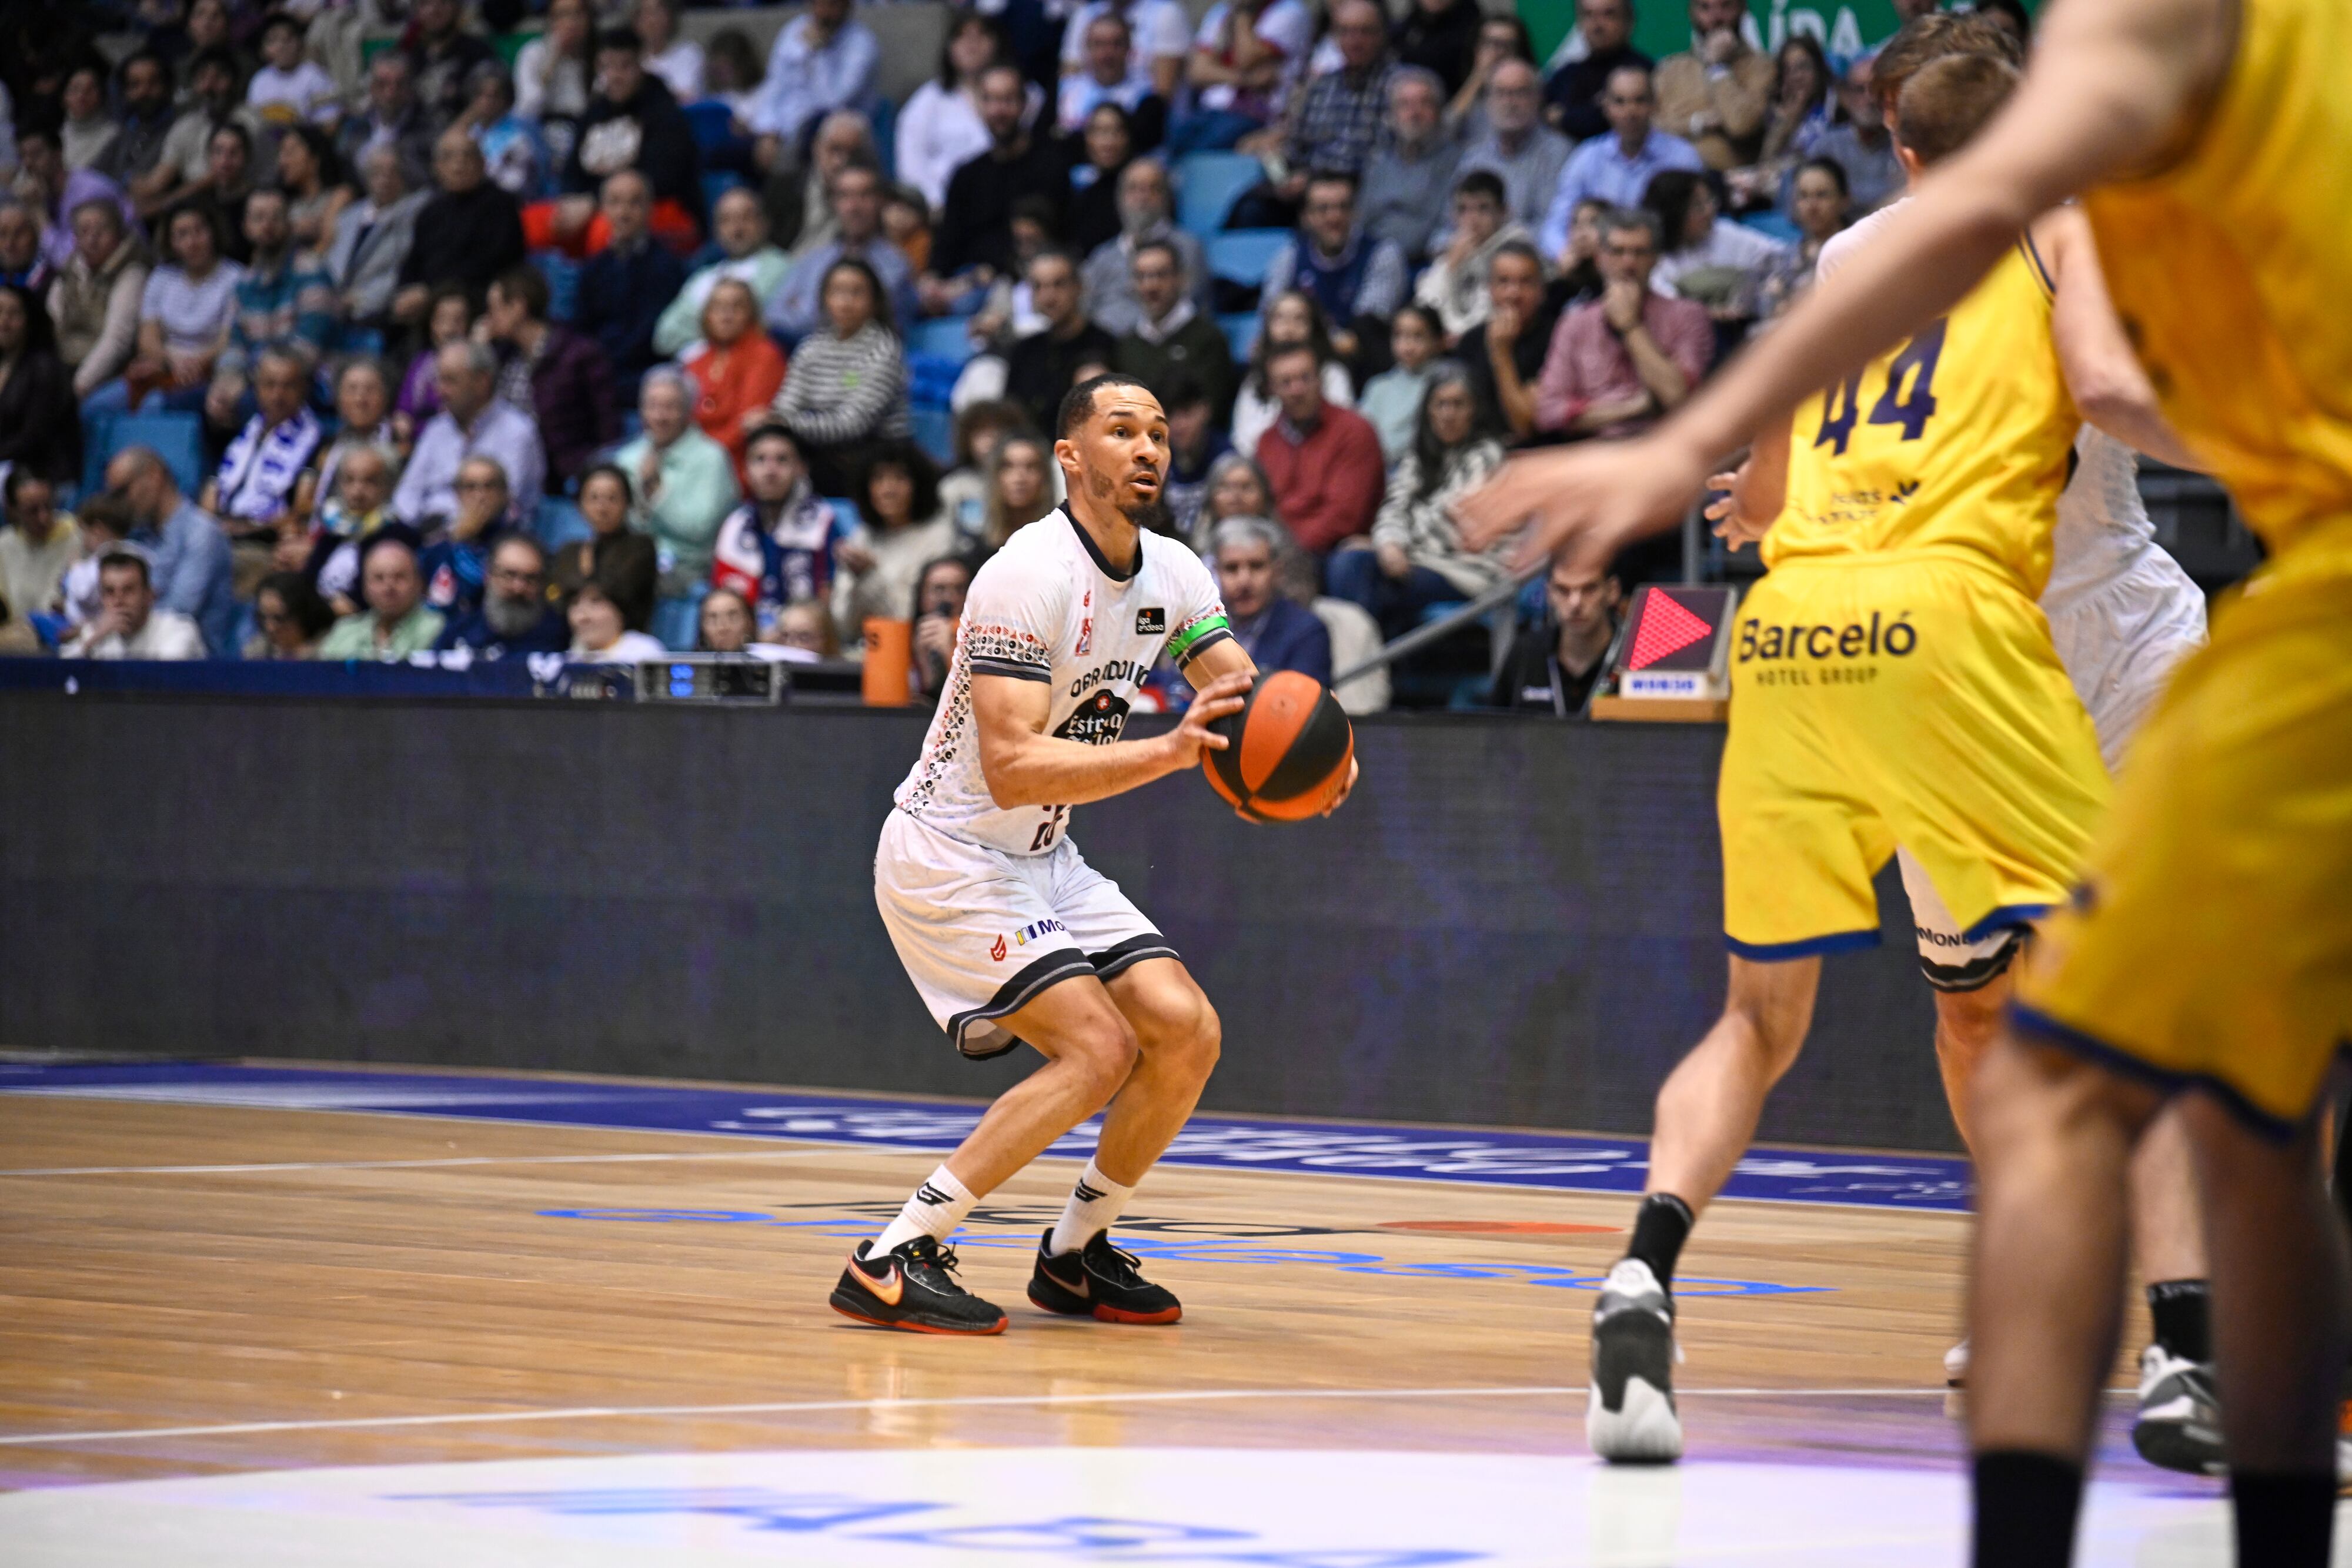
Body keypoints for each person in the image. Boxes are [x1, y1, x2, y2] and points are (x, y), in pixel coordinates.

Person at [1448, 33, 2340, 1553]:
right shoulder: (2042, 217)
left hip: (1965, 641)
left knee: (1914, 1011)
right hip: (1988, 649)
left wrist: (1709, 473)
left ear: (1897, 145)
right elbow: (2118, 389)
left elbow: (1781, 465)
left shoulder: (1885, 247)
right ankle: (2129, 1327)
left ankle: (2187, 1338)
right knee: (2019, 1009)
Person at [844, 371, 1292, 1336]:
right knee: (1099, 1048)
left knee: (1186, 1027)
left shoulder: (1175, 570)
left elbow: (1242, 702)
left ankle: (1075, 1253)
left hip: (1044, 855)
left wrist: (1302, 764)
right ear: (1069, 455)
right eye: (1123, 429)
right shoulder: (1024, 571)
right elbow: (1009, 766)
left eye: (1161, 433)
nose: (1149, 449)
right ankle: (892, 1254)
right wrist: (1173, 752)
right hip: (951, 849)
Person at [1331, 364, 1508, 637]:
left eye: (1458, 405)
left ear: (1474, 410)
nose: (1448, 414)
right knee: (1347, 563)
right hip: (1419, 560)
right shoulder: (1418, 457)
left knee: (1374, 589)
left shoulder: (1488, 456)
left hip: (1466, 571)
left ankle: (1368, 669)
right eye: (1441, 405)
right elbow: (1393, 509)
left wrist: (1394, 546)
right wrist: (1388, 544)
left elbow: (1454, 523)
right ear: (1428, 410)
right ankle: (1370, 666)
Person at [1534, 206, 1712, 438]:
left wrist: (1631, 326)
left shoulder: (1689, 316)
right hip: (1595, 453)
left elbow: (1678, 398)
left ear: (1656, 258)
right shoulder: (1575, 324)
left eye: (1639, 252)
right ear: (1600, 258)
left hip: (1666, 449)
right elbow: (1548, 413)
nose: (1628, 263)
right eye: (1618, 252)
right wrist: (1635, 408)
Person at [924, 65, 1069, 314]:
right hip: (968, 282)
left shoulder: (1051, 167)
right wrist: (932, 280)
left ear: (1025, 105)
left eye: (1007, 100)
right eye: (990, 100)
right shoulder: (966, 174)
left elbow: (1057, 239)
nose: (998, 111)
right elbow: (947, 243)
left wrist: (989, 274)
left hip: (1028, 280)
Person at [1237, 0, 1397, 223]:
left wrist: (1317, 179)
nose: (1355, 40)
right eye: (1346, 32)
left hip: (1361, 192)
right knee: (1251, 209)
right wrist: (1284, 176)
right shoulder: (1320, 88)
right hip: (1307, 191)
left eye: (1365, 32)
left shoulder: (1398, 87)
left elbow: (1386, 157)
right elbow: (1296, 147)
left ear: (1382, 35)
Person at [549, 26, 704, 255]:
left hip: (660, 207)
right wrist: (572, 202)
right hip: (598, 206)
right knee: (534, 226)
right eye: (607, 67)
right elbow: (572, 170)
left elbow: (661, 178)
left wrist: (593, 202)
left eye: (625, 67)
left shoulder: (664, 111)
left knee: (605, 233)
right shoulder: (594, 113)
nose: (615, 76)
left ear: (641, 65)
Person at [770, 256, 911, 497]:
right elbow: (786, 406)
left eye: (856, 293)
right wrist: (780, 422)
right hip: (821, 449)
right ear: (825, 299)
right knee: (770, 451)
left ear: (875, 301)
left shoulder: (884, 349)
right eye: (837, 292)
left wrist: (788, 424)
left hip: (875, 454)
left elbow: (853, 424)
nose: (846, 302)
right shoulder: (810, 348)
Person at [1538, 65, 1704, 265]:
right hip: (1600, 267)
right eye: (1620, 102)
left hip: (1668, 265)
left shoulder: (1683, 158)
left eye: (1639, 100)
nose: (1630, 111)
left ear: (1655, 104)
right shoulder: (1587, 156)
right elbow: (1554, 226)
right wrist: (1566, 253)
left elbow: (1702, 223)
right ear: (1606, 106)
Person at [98, 203, 242, 416]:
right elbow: (147, 338)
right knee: (94, 409)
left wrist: (193, 365)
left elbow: (228, 341)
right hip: (164, 365)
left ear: (213, 232)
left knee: (153, 407)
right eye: (182, 235)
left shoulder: (236, 278)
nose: (192, 242)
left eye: (199, 231)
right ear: (171, 242)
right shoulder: (161, 278)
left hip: (209, 370)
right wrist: (171, 361)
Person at [483, 264, 616, 494]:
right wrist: (480, 352)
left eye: (494, 309)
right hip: (508, 470)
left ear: (517, 307)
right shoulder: (502, 357)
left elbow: (608, 425)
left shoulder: (579, 354)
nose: (488, 319)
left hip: (564, 476)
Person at [1258, 169, 1407, 367]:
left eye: (1343, 207)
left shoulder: (1382, 254)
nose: (1334, 217)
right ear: (1306, 216)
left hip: (1362, 365)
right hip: (1302, 362)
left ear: (1356, 212)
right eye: (1323, 209)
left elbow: (1364, 331)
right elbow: (1270, 315)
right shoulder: (1290, 256)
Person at [392, 340, 545, 527]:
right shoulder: (437, 428)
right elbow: (407, 493)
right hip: (430, 533)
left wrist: (449, 529)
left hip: (494, 536)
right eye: (438, 380)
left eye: (450, 380)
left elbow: (501, 502)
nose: (440, 391)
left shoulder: (518, 431)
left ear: (481, 382)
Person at [617, 368, 741, 598]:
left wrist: (655, 492)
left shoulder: (712, 458)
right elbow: (621, 522)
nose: (660, 417)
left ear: (687, 412)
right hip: (633, 561)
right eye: (652, 406)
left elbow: (699, 529)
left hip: (689, 568)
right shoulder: (628, 458)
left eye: (670, 408)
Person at [764, 163, 916, 346]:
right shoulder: (814, 259)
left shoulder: (895, 264)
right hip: (805, 356)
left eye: (865, 195)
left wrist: (800, 309)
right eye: (845, 196)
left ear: (880, 201)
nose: (854, 206)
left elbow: (851, 322)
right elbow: (772, 314)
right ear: (834, 203)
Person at [1254, 342, 1384, 557]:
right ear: (1271, 389)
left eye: (1305, 378)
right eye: (1286, 382)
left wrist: (1287, 552)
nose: (1297, 390)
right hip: (1277, 553)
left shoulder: (1354, 430)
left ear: (1321, 380)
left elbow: (1344, 517)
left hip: (1331, 550)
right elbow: (1262, 510)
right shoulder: (1266, 442)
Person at [104, 446, 236, 657]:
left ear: (154, 476)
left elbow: (179, 611)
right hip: (136, 653)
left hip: (194, 667)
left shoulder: (202, 533)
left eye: (123, 491)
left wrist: (116, 617)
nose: (121, 505)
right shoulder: (137, 538)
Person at [709, 424, 838, 631]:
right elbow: (723, 600)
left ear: (801, 468)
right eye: (760, 460)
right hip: (746, 647)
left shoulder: (821, 521)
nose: (770, 471)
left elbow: (830, 600)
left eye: (782, 460)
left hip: (804, 645)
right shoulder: (735, 524)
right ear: (746, 470)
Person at [392, 130, 525, 330]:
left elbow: (492, 264)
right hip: (427, 305)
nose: (459, 164)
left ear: (482, 163)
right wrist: (404, 293)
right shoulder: (430, 212)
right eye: (449, 157)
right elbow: (412, 263)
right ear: (437, 167)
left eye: (468, 156)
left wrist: (432, 293)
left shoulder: (501, 206)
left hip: (475, 301)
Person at [831, 440, 957, 648]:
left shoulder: (939, 539)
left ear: (919, 484)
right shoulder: (862, 537)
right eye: (878, 478)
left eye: (900, 478)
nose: (888, 489)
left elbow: (912, 619)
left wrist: (870, 575)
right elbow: (842, 622)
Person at [574, 169, 689, 396]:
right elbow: (582, 326)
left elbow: (654, 334)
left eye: (634, 203)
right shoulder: (593, 269)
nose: (624, 212)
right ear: (604, 209)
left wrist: (604, 363)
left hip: (645, 373)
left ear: (649, 209)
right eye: (615, 202)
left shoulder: (667, 266)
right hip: (600, 372)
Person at [201, 345, 321, 557]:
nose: (277, 395)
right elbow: (213, 490)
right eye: (269, 385)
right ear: (256, 387)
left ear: (303, 388)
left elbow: (302, 513)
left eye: (288, 386)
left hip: (266, 543)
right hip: (224, 532)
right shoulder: (246, 430)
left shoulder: (315, 442)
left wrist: (249, 530)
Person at [1112, 239, 1237, 427]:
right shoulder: (1127, 346)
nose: (1151, 286)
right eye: (1141, 277)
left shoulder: (1209, 340)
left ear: (1181, 279)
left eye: (1161, 275)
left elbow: (1212, 411)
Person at [1080, 158, 1211, 338]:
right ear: (1120, 198)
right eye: (1133, 189)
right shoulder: (1102, 256)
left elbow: (1185, 309)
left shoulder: (1187, 248)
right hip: (1104, 349)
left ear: (1166, 198)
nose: (1142, 197)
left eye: (1152, 189)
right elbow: (1083, 308)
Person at [655, 187, 789, 360]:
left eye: (746, 218)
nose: (737, 228)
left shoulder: (781, 268)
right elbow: (664, 336)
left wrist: (700, 331)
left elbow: (755, 326)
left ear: (764, 223)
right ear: (716, 231)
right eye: (727, 220)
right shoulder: (703, 277)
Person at [1171, 0, 1314, 155]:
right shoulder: (1221, 11)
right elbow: (1197, 72)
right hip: (1212, 110)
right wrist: (1249, 80)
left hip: (1259, 116)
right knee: (1176, 136)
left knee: (1198, 153)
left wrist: (1242, 15)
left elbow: (1246, 58)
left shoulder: (1289, 11)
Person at [220, 186, 335, 377]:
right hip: (257, 381)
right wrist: (228, 380)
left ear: (289, 224)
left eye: (276, 217)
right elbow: (235, 345)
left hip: (304, 385)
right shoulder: (244, 283)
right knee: (158, 400)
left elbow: (306, 352)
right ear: (246, 227)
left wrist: (250, 379)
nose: (267, 225)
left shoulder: (313, 272)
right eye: (259, 218)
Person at [899, 14, 1005, 217]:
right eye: (962, 37)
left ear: (997, 42)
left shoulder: (1027, 94)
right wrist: (934, 202)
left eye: (981, 35)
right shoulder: (927, 101)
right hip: (941, 209)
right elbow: (911, 162)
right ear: (950, 47)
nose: (972, 45)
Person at [1003, 252, 1118, 439]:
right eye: (1039, 287)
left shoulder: (1105, 344)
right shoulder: (1024, 350)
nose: (1049, 297)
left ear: (1078, 287)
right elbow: (1009, 413)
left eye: (1058, 284)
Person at [681, 280, 787, 483]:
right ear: (707, 314)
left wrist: (698, 456)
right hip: (692, 462)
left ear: (751, 314)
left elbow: (747, 423)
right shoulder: (695, 361)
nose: (726, 315)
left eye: (737, 307)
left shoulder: (765, 355)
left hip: (737, 463)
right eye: (718, 307)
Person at [1488, 556, 1623, 714]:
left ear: (1612, 591)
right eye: (1563, 590)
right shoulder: (1526, 650)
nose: (1575, 603)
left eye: (1589, 589)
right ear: (1549, 593)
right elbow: (1495, 730)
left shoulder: (1636, 655)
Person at [1651, 0, 1773, 172]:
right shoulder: (1671, 70)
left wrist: (1718, 68)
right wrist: (1697, 124)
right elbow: (1650, 127)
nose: (1716, 18)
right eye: (1705, 8)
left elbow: (1742, 126)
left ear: (1743, 9)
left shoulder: (1763, 67)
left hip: (1730, 182)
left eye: (1726, 6)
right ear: (1692, 13)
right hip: (1670, 182)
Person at [1231, 289, 1354, 459]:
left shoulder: (1332, 374)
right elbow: (1242, 439)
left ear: (1313, 327)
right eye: (1280, 318)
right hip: (1264, 469)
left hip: (1322, 462)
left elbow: (1343, 429)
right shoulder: (1255, 380)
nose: (1289, 329)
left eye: (1299, 319)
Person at [1205, 514, 1331, 681]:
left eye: (1256, 566)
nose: (1244, 581)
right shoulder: (1200, 626)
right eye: (1232, 568)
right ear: (1216, 572)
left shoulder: (1306, 632)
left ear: (1277, 571)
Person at [1454, 59, 1571, 238]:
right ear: (1488, 101)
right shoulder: (1474, 158)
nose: (1510, 102)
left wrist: (1493, 243)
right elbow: (1448, 225)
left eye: (1520, 93)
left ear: (1538, 98)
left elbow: (1552, 228)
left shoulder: (1559, 153)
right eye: (1501, 93)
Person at [1358, 68, 1461, 268]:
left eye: (1425, 103)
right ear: (1392, 115)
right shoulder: (1378, 163)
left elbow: (1445, 228)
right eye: (1404, 105)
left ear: (1439, 113)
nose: (1414, 113)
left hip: (1424, 265)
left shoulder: (1457, 163)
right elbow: (1363, 222)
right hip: (1372, 264)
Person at [51, 198, 152, 399]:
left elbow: (117, 341)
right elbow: (54, 321)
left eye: (102, 230)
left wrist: (79, 386)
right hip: (63, 366)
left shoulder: (132, 274)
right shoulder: (70, 270)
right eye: (84, 231)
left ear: (118, 234)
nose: (92, 239)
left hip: (110, 373)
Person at [325, 144, 427, 336]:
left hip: (376, 313)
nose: (385, 179)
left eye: (393, 172)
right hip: (334, 309)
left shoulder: (412, 218)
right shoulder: (347, 217)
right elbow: (332, 263)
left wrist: (360, 299)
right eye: (378, 172)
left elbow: (399, 270)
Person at [751, 0, 878, 155]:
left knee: (816, 129)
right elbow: (775, 85)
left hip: (832, 126)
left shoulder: (861, 44)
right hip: (785, 127)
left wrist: (817, 53)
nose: (825, 13)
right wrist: (768, 131)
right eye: (820, 5)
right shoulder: (793, 32)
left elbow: (833, 102)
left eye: (832, 5)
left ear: (847, 7)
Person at [554, 463, 658, 632]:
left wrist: (579, 587)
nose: (602, 508)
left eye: (612, 498)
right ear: (580, 505)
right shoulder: (570, 551)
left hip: (628, 642)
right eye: (594, 498)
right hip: (574, 641)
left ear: (628, 503)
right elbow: (557, 598)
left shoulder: (641, 547)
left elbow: (617, 593)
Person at [433, 533, 569, 657]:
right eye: (509, 575)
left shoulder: (561, 636)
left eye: (531, 578)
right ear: (488, 575)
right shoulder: (459, 632)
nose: (518, 587)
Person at [318, 527, 445, 658]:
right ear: (365, 587)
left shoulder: (438, 630)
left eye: (399, 577)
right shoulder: (344, 632)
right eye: (379, 578)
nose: (389, 587)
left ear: (419, 583)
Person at [417, 455, 517, 619]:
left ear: (504, 493)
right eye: (471, 487)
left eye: (489, 486)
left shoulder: (517, 545)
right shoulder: (437, 546)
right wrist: (459, 541)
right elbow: (436, 598)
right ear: (458, 494)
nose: (480, 496)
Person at [0, 283, 81, 486]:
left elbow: (34, 437)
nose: (4, 322)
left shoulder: (45, 369)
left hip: (39, 472)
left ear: (30, 320)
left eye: (14, 314)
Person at [61, 551, 207, 660]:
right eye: (110, 592)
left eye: (128, 590)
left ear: (149, 595)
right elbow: (59, 672)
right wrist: (92, 640)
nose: (118, 601)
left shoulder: (179, 631)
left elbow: (160, 679)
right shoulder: (98, 633)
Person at [1753, 157, 1848, 323]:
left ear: (1844, 200)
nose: (1812, 206)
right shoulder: (1777, 260)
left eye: (1822, 195)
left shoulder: (1861, 254)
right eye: (1803, 196)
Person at [1804, 56, 1902, 215]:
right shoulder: (1826, 148)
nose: (1869, 99)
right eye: (1859, 90)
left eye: (1876, 91)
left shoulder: (1905, 147)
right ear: (1845, 96)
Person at [1355, 303, 1445, 462]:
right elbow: (1360, 433)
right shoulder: (1378, 386)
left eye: (1418, 336)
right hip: (1372, 464)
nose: (1408, 346)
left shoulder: (1443, 385)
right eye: (1400, 336)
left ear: (1437, 341)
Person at [0, 472, 83, 644]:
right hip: (21, 636)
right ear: (13, 510)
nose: (43, 518)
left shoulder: (78, 536)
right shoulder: (4, 545)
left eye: (48, 506)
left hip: (68, 634)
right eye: (32, 511)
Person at [335, 52, 435, 193]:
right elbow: (342, 172)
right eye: (382, 84)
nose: (390, 93)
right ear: (371, 87)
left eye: (399, 85)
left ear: (410, 88)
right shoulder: (355, 126)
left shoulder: (429, 127)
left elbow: (429, 180)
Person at [1058, 17, 1166, 146]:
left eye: (1117, 44)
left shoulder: (1147, 96)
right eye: (1099, 44)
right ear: (1086, 49)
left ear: (1130, 49)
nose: (1107, 54)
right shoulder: (1064, 89)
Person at [405, 0, 498, 134]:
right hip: (415, 141)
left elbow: (490, 101)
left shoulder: (478, 53)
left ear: (458, 7)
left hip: (468, 140)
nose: (434, 10)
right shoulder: (408, 56)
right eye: (425, 4)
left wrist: (454, 135)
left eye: (443, 3)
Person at [1063, 103, 1144, 259]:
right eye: (1100, 132)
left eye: (1117, 132)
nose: (1108, 143)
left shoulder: (1143, 186)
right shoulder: (1081, 193)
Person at [463, 63, 552, 202]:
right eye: (480, 95)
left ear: (507, 99)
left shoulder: (521, 134)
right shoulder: (471, 132)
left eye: (493, 96)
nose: (486, 102)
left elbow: (518, 185)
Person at [93, 51, 179, 193]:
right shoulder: (125, 132)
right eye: (135, 85)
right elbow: (94, 174)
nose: (144, 91)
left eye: (153, 83)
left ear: (167, 87)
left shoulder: (179, 130)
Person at [247, 11, 341, 131]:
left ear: (300, 43)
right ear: (264, 49)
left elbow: (330, 124)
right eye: (273, 40)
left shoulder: (315, 76)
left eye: (288, 39)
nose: (282, 46)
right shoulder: (259, 80)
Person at [513, 0, 592, 128]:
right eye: (563, 15)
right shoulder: (533, 53)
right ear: (551, 20)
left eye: (577, 14)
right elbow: (527, 108)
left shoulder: (597, 55)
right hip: (541, 128)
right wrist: (554, 57)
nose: (571, 23)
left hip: (583, 129)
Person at [275, 125, 353, 253]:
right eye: (281, 153)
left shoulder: (339, 196)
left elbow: (329, 242)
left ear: (315, 159)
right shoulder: (285, 204)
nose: (282, 162)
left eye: (290, 153)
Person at [909, 553, 975, 701]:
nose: (950, 599)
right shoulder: (901, 640)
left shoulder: (984, 644)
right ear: (921, 597)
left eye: (960, 589)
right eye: (939, 589)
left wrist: (951, 657)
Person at [980, 433, 1057, 549]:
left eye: (1031, 467)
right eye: (1008, 466)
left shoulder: (1062, 542)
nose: (1019, 478)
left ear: (1045, 476)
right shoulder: (978, 549)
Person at [565, 578, 667, 663]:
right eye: (575, 603)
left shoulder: (645, 654)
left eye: (596, 602)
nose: (582, 617)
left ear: (620, 610)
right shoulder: (558, 664)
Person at [247, 569, 335, 660]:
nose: (270, 628)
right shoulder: (258, 652)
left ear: (302, 615)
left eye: (280, 619)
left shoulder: (331, 651)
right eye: (263, 617)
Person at [636, 0, 704, 106]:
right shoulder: (629, 60)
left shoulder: (689, 53)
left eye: (658, 12)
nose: (652, 21)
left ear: (670, 17)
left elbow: (688, 97)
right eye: (646, 13)